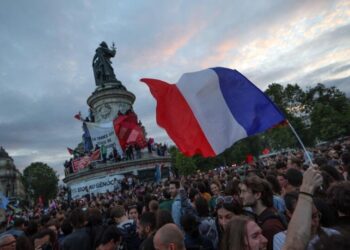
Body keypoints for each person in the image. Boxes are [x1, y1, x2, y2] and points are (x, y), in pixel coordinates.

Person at [240, 176, 285, 250]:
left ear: (257, 195)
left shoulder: (270, 226)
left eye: (244, 191)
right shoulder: (264, 217)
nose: (241, 196)